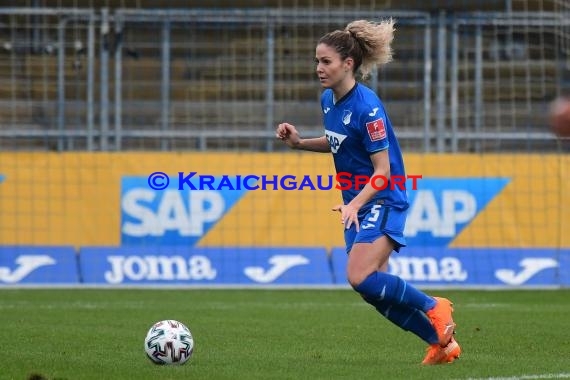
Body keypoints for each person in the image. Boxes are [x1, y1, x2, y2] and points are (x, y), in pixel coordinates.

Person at [275, 19, 461, 365]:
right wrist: (299, 143)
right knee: (372, 290)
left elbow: (382, 171)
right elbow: (340, 144)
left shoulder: (368, 107)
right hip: (356, 205)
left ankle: (434, 305)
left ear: (348, 64)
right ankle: (441, 344)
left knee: (358, 276)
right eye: (316, 61)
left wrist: (355, 204)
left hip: (382, 198)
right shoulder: (329, 100)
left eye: (325, 61)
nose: (319, 68)